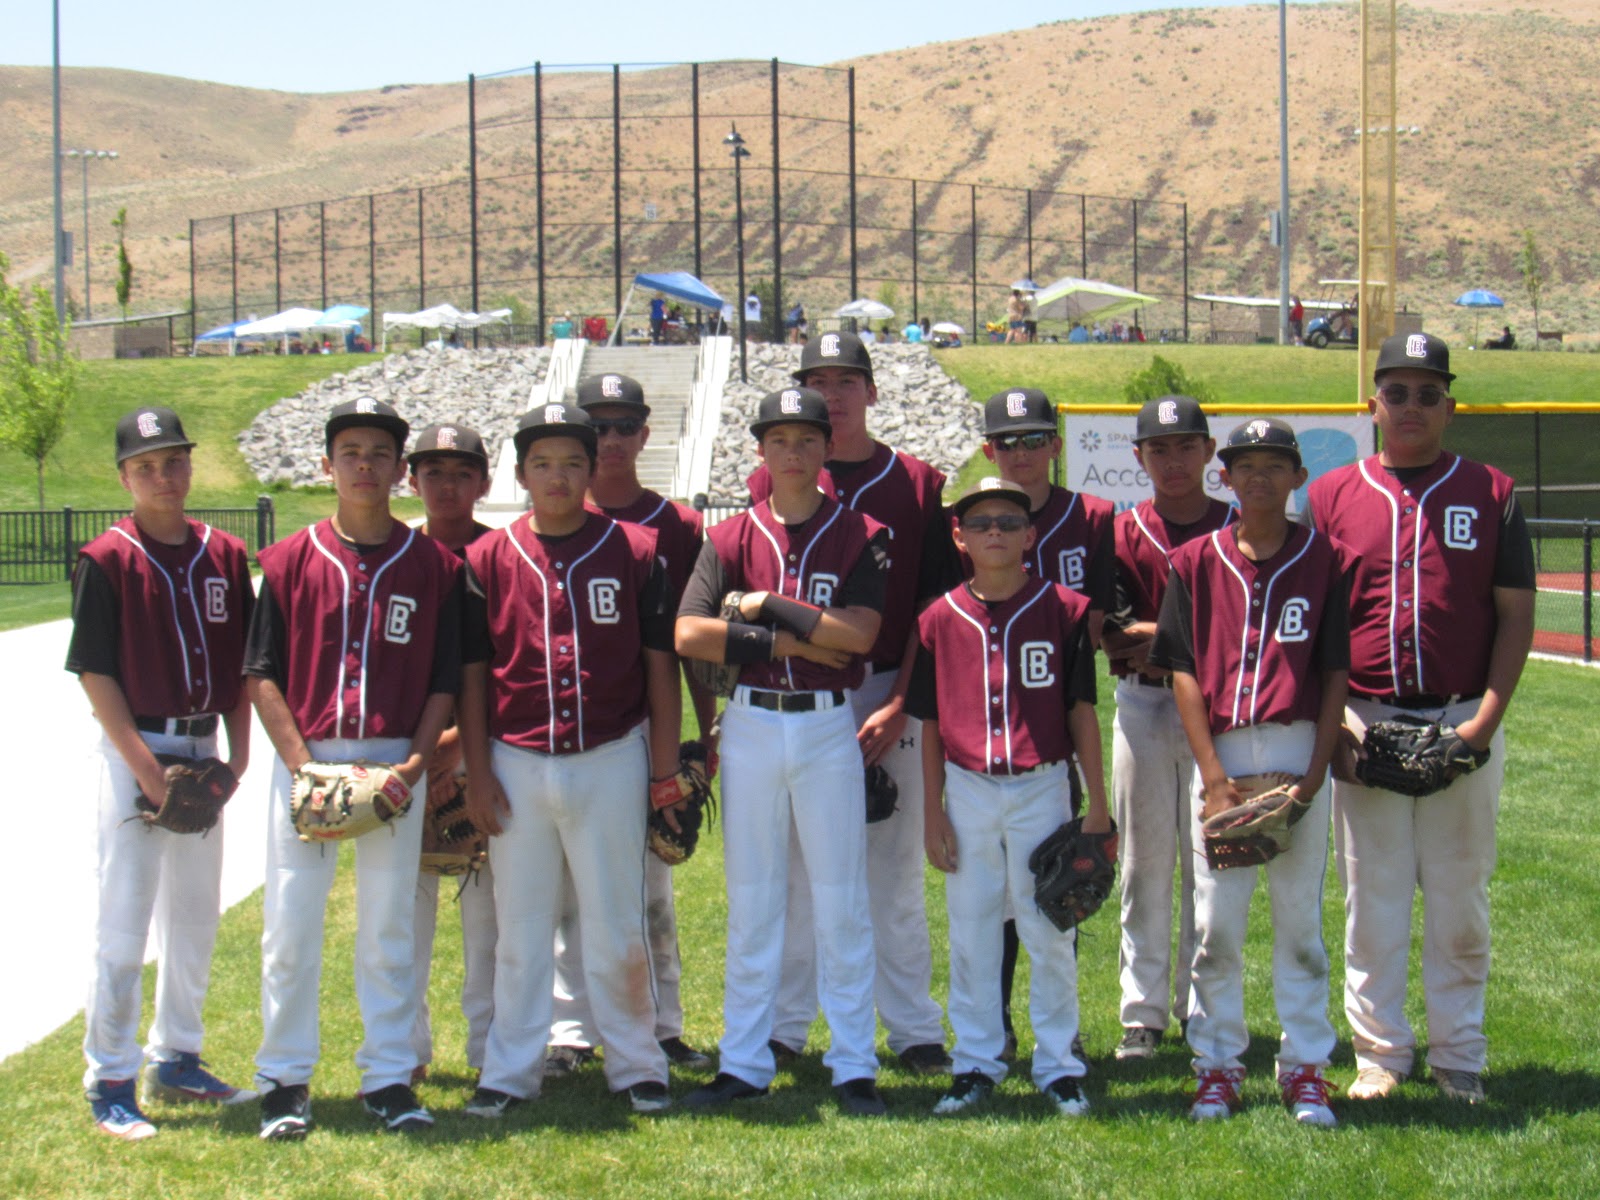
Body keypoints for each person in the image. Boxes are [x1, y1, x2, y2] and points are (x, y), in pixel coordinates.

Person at [1306, 331, 1535, 1105]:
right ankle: (1380, 1053)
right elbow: (1319, 623)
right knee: (1371, 894)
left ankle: (1458, 1054)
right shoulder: (1334, 494)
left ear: (1450, 405)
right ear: (1372, 402)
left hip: (1461, 714)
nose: (1410, 406)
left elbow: (1515, 619)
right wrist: (1336, 724)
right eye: (1396, 391)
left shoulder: (1492, 491)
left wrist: (1484, 726)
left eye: (1427, 392)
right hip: (1365, 718)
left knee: (1459, 895)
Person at [456, 401, 683, 1119]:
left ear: (593, 469)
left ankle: (637, 1063)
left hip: (611, 754)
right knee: (519, 926)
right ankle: (510, 1069)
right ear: (520, 473)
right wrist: (477, 770)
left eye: (572, 463)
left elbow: (660, 667)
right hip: (516, 758)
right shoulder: (486, 558)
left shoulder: (636, 549)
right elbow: (471, 675)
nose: (557, 478)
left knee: (618, 922)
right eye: (543, 464)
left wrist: (664, 769)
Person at [247, 398, 463, 1140]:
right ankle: (283, 1077)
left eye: (379, 452)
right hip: (307, 761)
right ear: (327, 465)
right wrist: (303, 767)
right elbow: (260, 672)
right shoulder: (285, 560)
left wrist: (413, 764)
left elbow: (444, 678)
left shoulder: (433, 566)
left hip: (394, 760)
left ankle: (388, 1077)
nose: (365, 465)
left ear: (400, 469)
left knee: (389, 930)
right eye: (350, 452)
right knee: (291, 926)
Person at [676, 386, 890, 1117]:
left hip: (829, 723)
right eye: (779, 439)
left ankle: (855, 1062)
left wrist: (762, 603)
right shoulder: (730, 536)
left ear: (826, 448)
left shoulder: (862, 530)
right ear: (760, 449)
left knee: (841, 899)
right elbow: (689, 633)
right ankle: (744, 1059)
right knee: (755, 899)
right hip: (753, 723)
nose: (792, 452)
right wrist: (791, 638)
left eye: (806, 439)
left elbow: (858, 635)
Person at [749, 332, 954, 1077]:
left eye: (846, 380)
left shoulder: (918, 482)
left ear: (871, 391)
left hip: (886, 683)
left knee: (892, 869)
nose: (832, 394)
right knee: (801, 865)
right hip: (800, 691)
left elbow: (938, 609)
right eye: (816, 380)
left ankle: (912, 1027)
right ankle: (786, 1022)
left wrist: (902, 700)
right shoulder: (768, 478)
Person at [1148, 417, 1351, 1128]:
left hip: (1297, 747)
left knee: (1300, 924)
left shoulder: (1324, 559)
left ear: (1298, 477)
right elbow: (1180, 671)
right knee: (1216, 923)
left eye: (1275, 464)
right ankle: (1217, 1065)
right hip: (1226, 754)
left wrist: (1316, 772)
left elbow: (1333, 673)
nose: (1258, 477)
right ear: (1223, 476)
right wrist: (1212, 777)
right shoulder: (1194, 562)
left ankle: (1305, 1068)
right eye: (1244, 464)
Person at [69, 406, 256, 1141]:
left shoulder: (224, 553)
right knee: (123, 920)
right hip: (135, 751)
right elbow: (95, 674)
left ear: (190, 465)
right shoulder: (106, 559)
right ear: (124, 477)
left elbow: (246, 665)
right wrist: (146, 772)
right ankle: (110, 1076)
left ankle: (176, 1055)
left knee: (193, 917)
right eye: (146, 465)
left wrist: (237, 759)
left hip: (203, 750)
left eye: (173, 460)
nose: (163, 475)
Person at [912, 477, 1111, 1117]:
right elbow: (931, 725)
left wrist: (1099, 806)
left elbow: (1082, 711)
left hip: (1043, 785)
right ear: (959, 536)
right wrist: (931, 809)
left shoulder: (1065, 609)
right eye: (980, 522)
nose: (993, 532)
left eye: (1007, 521)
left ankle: (1058, 1064)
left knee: (1049, 926)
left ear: (1030, 534)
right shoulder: (937, 618)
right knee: (971, 930)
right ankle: (975, 1061)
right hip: (968, 789)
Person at [543, 373, 717, 1076]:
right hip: (567, 731)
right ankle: (570, 1030)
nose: (612, 439)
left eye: (625, 425)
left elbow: (696, 644)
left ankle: (662, 1023)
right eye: (599, 426)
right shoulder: (550, 518)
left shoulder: (678, 526)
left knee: (651, 887)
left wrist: (706, 733)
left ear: (647, 432)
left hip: (648, 725)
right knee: (566, 889)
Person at [978, 387, 1115, 1057]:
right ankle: (998, 1025)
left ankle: (1060, 1033)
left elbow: (1108, 621)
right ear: (988, 449)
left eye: (1035, 438)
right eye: (1009, 440)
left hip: (1061, 723)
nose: (1022, 452)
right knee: (997, 895)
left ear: (1057, 445)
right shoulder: (977, 517)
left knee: (1057, 881)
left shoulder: (1093, 517)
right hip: (988, 727)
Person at [1100, 396, 1234, 1062]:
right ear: (1140, 458)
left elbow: (1247, 639)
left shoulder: (1239, 526)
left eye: (1186, 446)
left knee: (1211, 867)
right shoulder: (1124, 532)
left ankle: (1202, 1011)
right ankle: (1143, 1013)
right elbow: (1116, 641)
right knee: (1144, 863)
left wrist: (1164, 636)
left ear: (1210, 452)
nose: (1174, 460)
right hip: (1144, 705)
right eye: (1159, 449)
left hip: (1222, 713)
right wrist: (1188, 637)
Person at [405, 424, 497, 1088]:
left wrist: (462, 744)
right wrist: (417, 753)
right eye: (433, 472)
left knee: (486, 913)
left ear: (484, 483)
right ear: (413, 482)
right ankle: (404, 1047)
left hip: (481, 749)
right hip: (405, 755)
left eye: (461, 472)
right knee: (399, 916)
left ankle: (488, 1046)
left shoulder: (503, 555)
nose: (446, 485)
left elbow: (512, 662)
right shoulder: (398, 554)